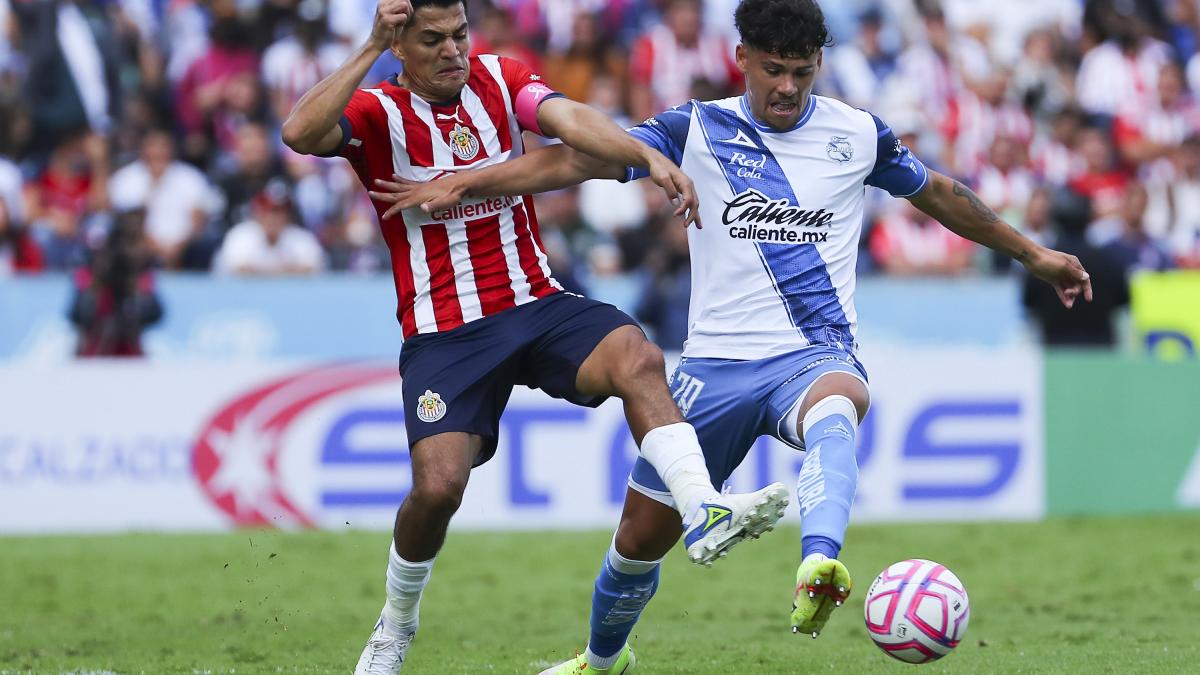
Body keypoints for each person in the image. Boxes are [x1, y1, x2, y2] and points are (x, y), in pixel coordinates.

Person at [372, 1, 1093, 671]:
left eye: (802, 71)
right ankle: (601, 662)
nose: (787, 87)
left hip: (812, 353)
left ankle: (820, 561)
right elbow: (579, 159)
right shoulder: (695, 128)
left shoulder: (856, 133)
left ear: (820, 62)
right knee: (637, 543)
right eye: (773, 70)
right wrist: (472, 183)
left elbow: (940, 194)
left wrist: (1034, 254)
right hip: (712, 368)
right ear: (742, 57)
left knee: (838, 408)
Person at [279, 2, 788, 672]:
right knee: (438, 490)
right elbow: (299, 131)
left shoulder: (499, 76)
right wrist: (369, 42)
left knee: (638, 355)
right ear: (399, 46)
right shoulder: (377, 112)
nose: (453, 51)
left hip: (536, 303)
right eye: (432, 40)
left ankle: (705, 510)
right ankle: (396, 624)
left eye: (459, 34)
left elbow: (568, 120)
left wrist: (643, 156)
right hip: (446, 333)